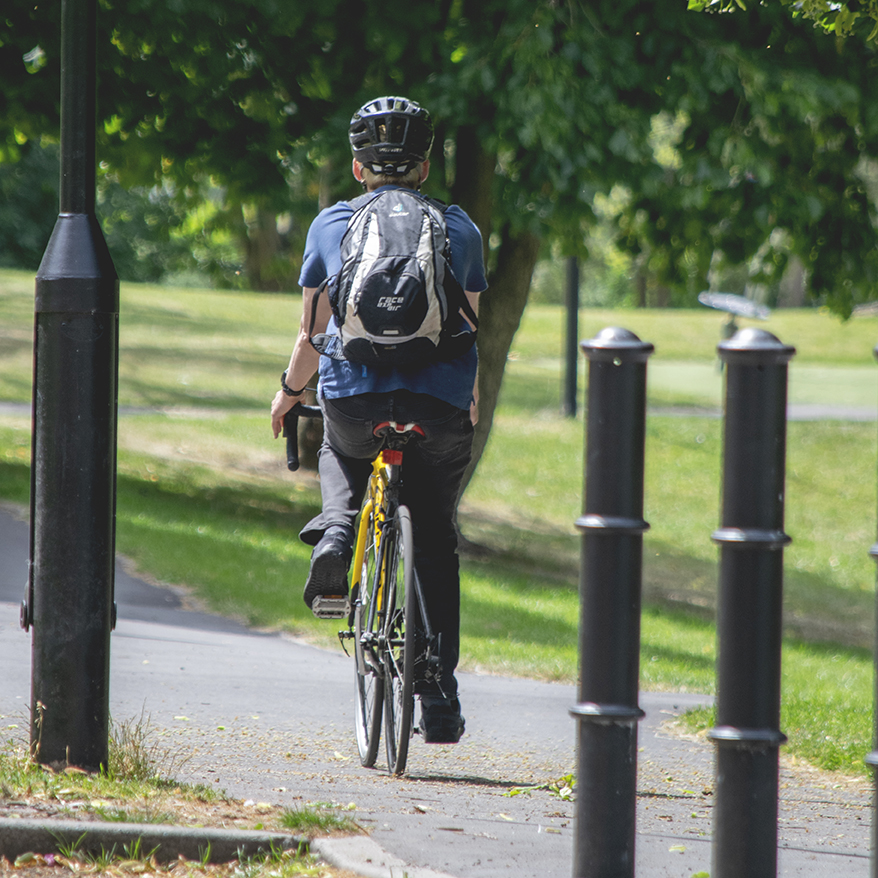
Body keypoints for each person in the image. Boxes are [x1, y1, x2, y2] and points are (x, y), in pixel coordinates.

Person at [270, 96, 487, 744]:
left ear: (359, 167)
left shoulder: (330, 225)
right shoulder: (460, 228)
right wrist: (463, 400)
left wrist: (288, 394)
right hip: (437, 404)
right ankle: (439, 694)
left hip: (358, 400)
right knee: (438, 539)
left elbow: (312, 334)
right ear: (423, 166)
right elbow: (469, 327)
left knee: (339, 448)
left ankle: (338, 533)